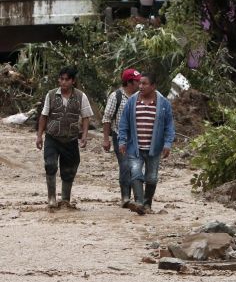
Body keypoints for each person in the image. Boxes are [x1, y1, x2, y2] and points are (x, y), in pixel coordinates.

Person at [36, 66, 94, 209]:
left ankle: (65, 200)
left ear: (73, 81)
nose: (63, 82)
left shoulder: (81, 96)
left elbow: (86, 117)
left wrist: (84, 136)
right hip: (52, 137)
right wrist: (39, 136)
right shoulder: (51, 95)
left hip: (71, 139)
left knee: (69, 170)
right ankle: (51, 198)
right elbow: (44, 116)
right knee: (50, 165)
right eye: (61, 79)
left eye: (66, 80)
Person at [118, 72, 175, 214]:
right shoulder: (132, 102)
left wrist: (167, 144)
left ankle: (147, 204)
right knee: (136, 173)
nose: (140, 86)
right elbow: (124, 122)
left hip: (154, 148)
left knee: (152, 177)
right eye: (140, 83)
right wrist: (122, 140)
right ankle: (139, 203)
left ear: (153, 86)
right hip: (134, 148)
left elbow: (169, 126)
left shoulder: (163, 104)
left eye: (144, 84)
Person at [102, 68, 141, 208]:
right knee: (125, 165)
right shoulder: (116, 96)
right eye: (137, 81)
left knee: (136, 166)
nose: (140, 84)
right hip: (120, 136)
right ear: (129, 82)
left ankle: (138, 197)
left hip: (138, 137)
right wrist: (106, 139)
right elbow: (107, 118)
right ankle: (125, 197)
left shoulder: (140, 96)